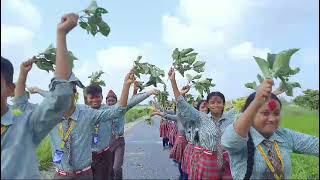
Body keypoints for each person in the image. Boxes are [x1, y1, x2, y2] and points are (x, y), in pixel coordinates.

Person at [1, 13, 77, 179]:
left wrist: (61, 34)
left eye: (75, 93)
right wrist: (23, 75)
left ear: (9, 89)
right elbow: (22, 103)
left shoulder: (25, 126)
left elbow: (59, 97)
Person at [221, 79, 319, 179]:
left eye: (276, 113)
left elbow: (314, 144)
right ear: (251, 115)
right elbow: (229, 141)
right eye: (265, 113)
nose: (272, 119)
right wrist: (256, 102)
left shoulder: (284, 135)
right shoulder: (242, 138)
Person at [168, 67, 235, 180]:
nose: (216, 105)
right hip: (206, 163)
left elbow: (249, 107)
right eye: (212, 102)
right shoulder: (201, 118)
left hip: (226, 162)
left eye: (219, 102)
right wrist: (173, 81)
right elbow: (182, 105)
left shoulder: (231, 118)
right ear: (208, 105)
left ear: (224, 104)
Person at [106, 83, 159, 180]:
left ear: (117, 101)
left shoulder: (121, 109)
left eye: (113, 101)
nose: (110, 103)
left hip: (119, 141)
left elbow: (132, 102)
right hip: (107, 143)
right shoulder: (104, 112)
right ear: (106, 102)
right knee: (109, 168)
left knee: (116, 168)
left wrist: (149, 92)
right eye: (108, 101)